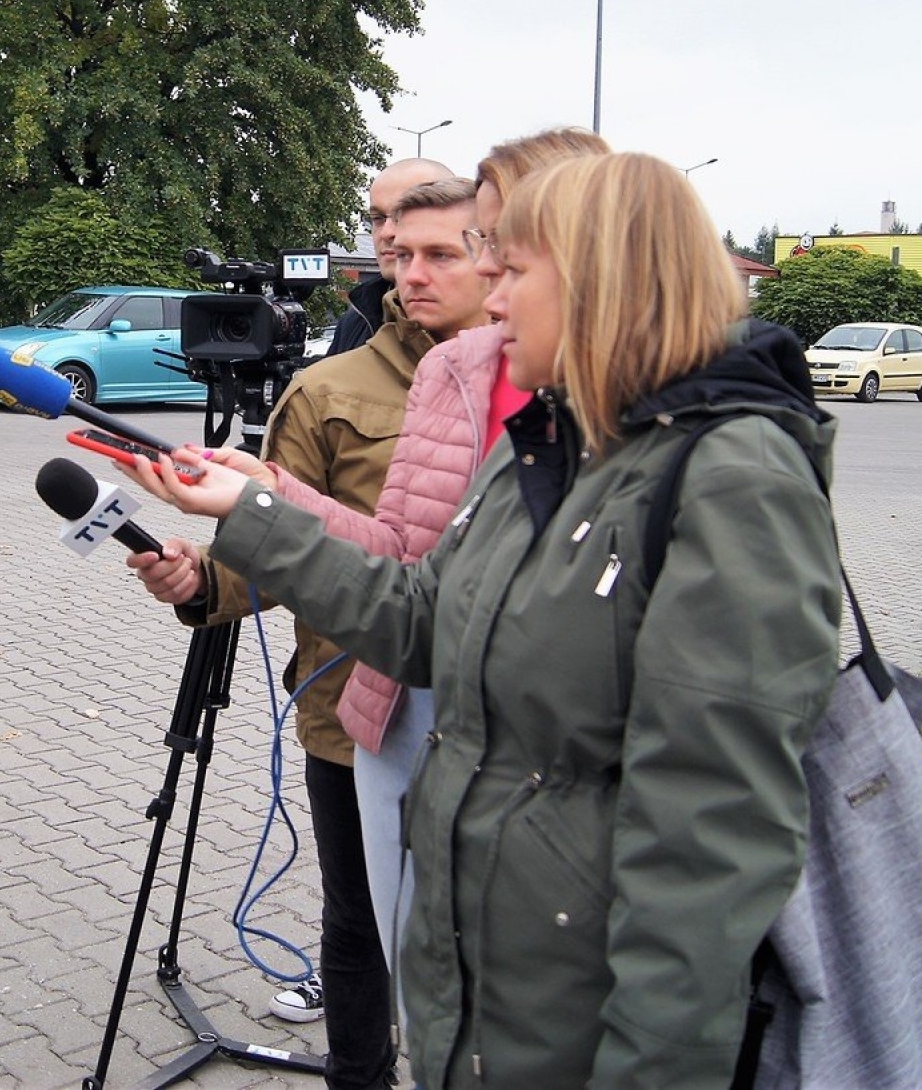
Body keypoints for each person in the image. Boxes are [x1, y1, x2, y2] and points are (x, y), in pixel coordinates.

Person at [126, 152, 843, 1088]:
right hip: (487, 998)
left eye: (508, 271)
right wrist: (247, 512)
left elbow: (709, 847)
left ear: (602, 280)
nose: (488, 303)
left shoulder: (734, 476)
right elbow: (422, 621)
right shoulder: (545, 444)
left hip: (585, 1019)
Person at [137, 128, 608, 981]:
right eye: (386, 233)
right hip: (366, 695)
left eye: (444, 244)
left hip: (529, 754)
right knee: (370, 930)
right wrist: (233, 534)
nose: (397, 255)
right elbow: (397, 567)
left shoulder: (661, 420)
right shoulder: (364, 383)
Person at [132, 177, 488, 1089]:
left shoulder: (541, 383)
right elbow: (272, 541)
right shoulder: (328, 388)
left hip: (492, 722)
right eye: (392, 249)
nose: (408, 271)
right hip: (349, 700)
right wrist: (200, 581)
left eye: (436, 251)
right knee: (358, 923)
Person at [328, 158, 456, 356]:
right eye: (378, 218)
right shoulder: (357, 320)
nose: (386, 233)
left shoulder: (501, 326)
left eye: (402, 216)